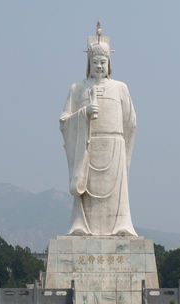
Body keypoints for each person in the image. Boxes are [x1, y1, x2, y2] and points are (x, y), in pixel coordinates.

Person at [59, 22, 137, 236]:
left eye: (103, 61)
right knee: (85, 192)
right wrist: (83, 114)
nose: (99, 66)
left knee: (118, 199)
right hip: (88, 147)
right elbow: (64, 121)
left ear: (109, 62)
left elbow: (131, 122)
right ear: (89, 63)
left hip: (115, 146)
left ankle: (121, 225)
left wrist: (122, 144)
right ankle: (80, 226)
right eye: (95, 62)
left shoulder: (120, 88)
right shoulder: (77, 88)